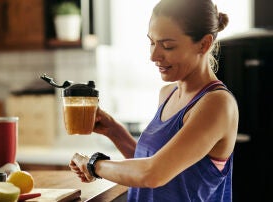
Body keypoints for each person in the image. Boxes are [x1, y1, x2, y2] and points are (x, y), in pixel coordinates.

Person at [69, 0, 239, 201]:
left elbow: (153, 173)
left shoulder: (217, 104)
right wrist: (114, 131)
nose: (154, 55)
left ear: (204, 44)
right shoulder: (167, 94)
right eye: (152, 42)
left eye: (167, 46)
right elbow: (156, 165)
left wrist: (93, 165)